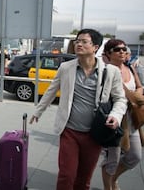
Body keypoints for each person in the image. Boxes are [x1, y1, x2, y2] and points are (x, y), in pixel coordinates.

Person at [29, 28, 127, 190]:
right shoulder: (66, 68)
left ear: (95, 47)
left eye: (84, 41)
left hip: (94, 134)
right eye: (77, 41)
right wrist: (38, 111)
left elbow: (120, 99)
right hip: (69, 132)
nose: (79, 44)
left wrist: (116, 116)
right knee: (66, 175)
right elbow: (51, 90)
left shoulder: (110, 72)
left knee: (84, 179)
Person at [101, 39, 143, 190]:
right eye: (118, 49)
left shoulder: (130, 68)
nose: (122, 52)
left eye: (124, 49)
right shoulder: (107, 71)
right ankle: (109, 186)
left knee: (135, 156)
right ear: (108, 53)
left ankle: (114, 179)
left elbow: (139, 87)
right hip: (117, 121)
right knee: (112, 161)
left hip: (132, 120)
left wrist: (136, 94)